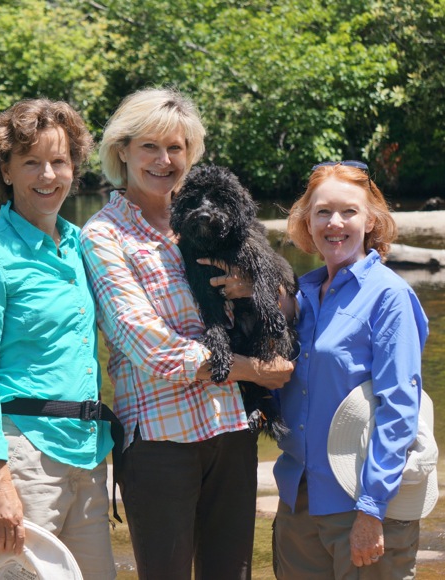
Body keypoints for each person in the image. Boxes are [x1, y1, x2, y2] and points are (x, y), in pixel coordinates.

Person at [80, 87, 294, 580]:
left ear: (190, 153)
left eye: (175, 147)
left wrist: (258, 292)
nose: (163, 159)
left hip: (233, 428)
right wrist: (251, 370)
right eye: (149, 147)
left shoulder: (214, 213)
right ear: (122, 151)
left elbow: (280, 292)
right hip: (160, 440)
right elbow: (143, 342)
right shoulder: (104, 234)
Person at [0, 98, 116, 579]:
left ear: (75, 167)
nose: (48, 175)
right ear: (6, 167)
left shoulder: (80, 243)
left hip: (86, 450)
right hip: (20, 459)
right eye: (31, 162)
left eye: (59, 161)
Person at [272, 161, 429, 579]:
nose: (334, 223)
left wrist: (372, 510)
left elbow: (399, 409)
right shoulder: (298, 295)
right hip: (297, 501)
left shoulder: (389, 296)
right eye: (323, 211)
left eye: (349, 212)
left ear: (371, 220)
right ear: (307, 220)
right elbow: (278, 392)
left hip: (362, 502)